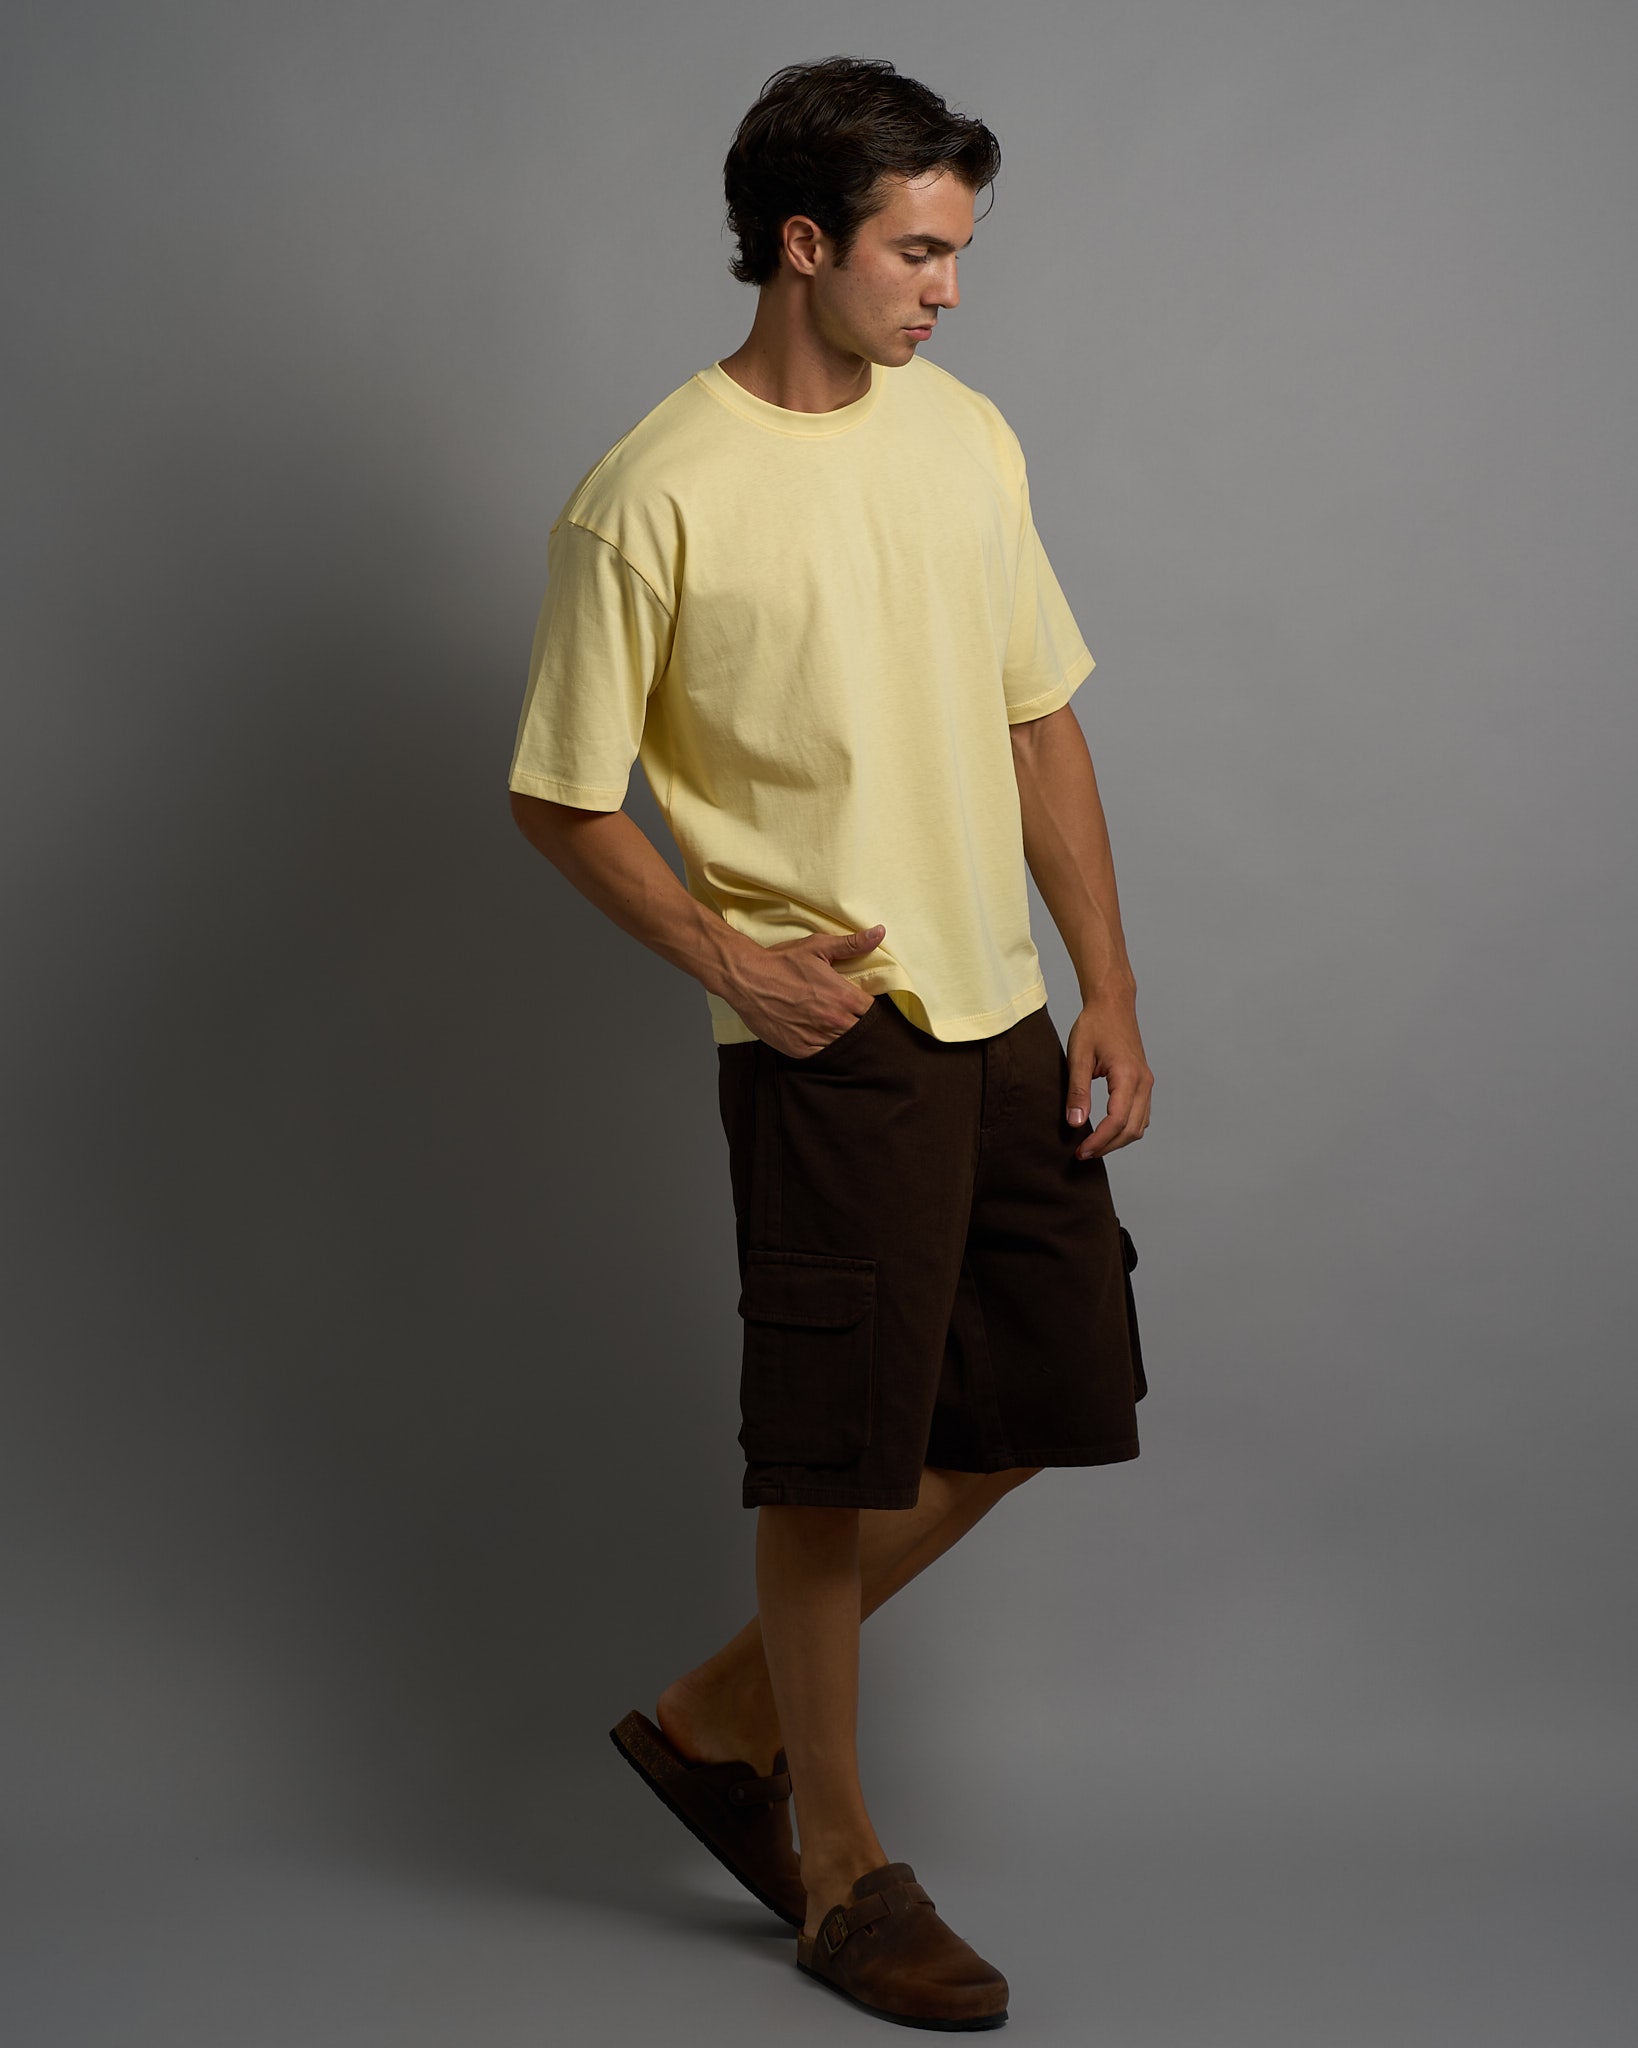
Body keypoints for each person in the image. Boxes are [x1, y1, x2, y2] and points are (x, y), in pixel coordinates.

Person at [507, 53, 1154, 2033]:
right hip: (835, 1036)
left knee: (1046, 1394)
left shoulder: (965, 435)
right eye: (917, 251)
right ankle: (842, 1871)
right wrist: (733, 961)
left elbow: (1036, 716)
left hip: (1001, 1009)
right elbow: (560, 791)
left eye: (957, 250)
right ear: (803, 243)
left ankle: (720, 1718)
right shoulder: (652, 493)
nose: (949, 288)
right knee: (832, 1451)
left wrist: (1109, 982)